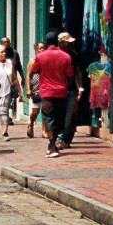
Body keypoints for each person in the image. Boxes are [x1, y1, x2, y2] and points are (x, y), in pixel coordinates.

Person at [31, 30, 76, 158]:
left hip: (47, 92)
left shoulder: (41, 56)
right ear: (57, 41)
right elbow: (70, 77)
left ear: (47, 42)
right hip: (61, 92)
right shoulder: (66, 57)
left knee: (49, 118)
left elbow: (35, 70)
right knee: (59, 118)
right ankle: (54, 145)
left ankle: (51, 145)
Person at [25, 40, 46, 138]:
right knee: (35, 111)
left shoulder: (47, 61)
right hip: (35, 89)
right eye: (40, 48)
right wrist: (28, 89)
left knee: (45, 110)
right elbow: (28, 76)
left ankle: (44, 131)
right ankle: (31, 123)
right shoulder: (32, 61)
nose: (42, 50)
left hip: (45, 88)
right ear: (36, 50)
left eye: (44, 48)